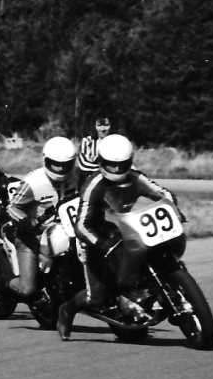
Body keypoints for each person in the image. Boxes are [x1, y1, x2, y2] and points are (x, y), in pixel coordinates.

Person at [57, 133, 179, 340]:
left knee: (156, 254)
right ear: (102, 162)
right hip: (94, 240)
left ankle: (151, 294)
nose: (116, 169)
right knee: (95, 297)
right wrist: (101, 244)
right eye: (111, 165)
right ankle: (67, 311)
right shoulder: (93, 185)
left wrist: (174, 207)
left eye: (121, 165)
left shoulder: (136, 177)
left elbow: (162, 193)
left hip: (126, 229)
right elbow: (81, 225)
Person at [5, 137, 80, 304]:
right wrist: (26, 222)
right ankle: (5, 287)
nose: (60, 168)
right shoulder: (33, 182)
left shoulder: (78, 177)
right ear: (46, 160)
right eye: (56, 164)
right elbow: (12, 207)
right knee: (27, 289)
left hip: (67, 231)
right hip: (33, 237)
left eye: (65, 164)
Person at [76, 114, 114, 179]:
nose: (103, 129)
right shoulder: (87, 141)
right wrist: (108, 168)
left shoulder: (116, 142)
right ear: (94, 126)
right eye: (99, 125)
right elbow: (84, 164)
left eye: (106, 125)